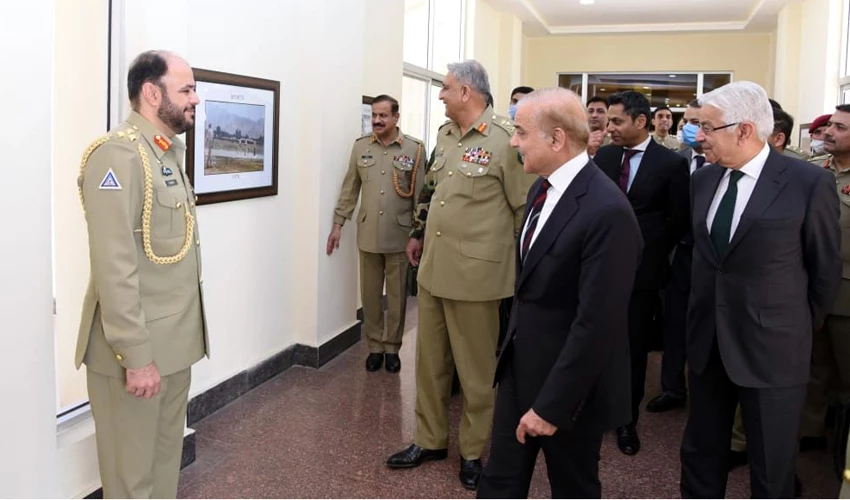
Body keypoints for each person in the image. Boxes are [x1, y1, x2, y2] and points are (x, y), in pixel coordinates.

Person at [476, 87, 642, 499]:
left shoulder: (607, 211)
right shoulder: (541, 189)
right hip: (521, 367)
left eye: (520, 132)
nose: (512, 141)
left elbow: (597, 323)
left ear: (556, 139)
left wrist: (553, 405)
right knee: (498, 481)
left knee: (573, 486)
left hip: (572, 389)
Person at [680, 81, 841, 498]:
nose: (699, 136)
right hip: (708, 341)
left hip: (774, 347)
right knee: (700, 452)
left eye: (708, 127)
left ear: (744, 130)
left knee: (772, 464)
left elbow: (823, 270)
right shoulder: (702, 182)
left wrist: (796, 329)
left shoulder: (807, 183)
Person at [386, 60, 534, 491]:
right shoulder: (446, 136)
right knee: (430, 365)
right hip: (434, 270)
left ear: (467, 92)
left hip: (478, 278)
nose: (440, 95)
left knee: (475, 374)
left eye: (446, 88)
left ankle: (472, 452)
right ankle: (429, 440)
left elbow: (523, 211)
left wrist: (518, 269)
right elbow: (434, 194)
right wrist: (417, 233)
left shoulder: (507, 140)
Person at [75, 50, 208, 499]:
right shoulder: (117, 156)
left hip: (173, 349)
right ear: (152, 93)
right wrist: (136, 357)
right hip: (137, 357)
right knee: (132, 483)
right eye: (186, 89)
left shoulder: (166, 155)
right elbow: (115, 268)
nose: (195, 99)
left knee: (164, 472)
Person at [593, 90, 690, 456]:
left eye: (617, 121)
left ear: (640, 122)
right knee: (597, 342)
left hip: (642, 274)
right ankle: (598, 409)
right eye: (609, 121)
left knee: (632, 348)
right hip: (598, 270)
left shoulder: (669, 164)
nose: (609, 127)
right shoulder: (603, 157)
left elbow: (678, 220)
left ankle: (626, 420)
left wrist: (648, 248)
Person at [327, 95, 424, 373]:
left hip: (400, 235)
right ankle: (375, 347)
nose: (378, 121)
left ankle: (392, 348)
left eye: (384, 115)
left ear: (396, 117)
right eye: (374, 115)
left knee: (396, 297)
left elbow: (420, 195)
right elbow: (350, 189)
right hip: (368, 232)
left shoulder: (414, 149)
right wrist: (338, 223)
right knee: (370, 296)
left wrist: (419, 234)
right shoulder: (360, 148)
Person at [646, 99, 704, 413]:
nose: (692, 128)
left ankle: (707, 392)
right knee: (675, 322)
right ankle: (672, 388)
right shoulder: (675, 160)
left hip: (716, 261)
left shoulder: (728, 164)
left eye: (699, 121)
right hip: (679, 254)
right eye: (689, 122)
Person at [800, 105, 850, 449]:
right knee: (812, 365)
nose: (829, 131)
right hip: (810, 285)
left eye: (841, 128)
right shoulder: (814, 171)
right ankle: (811, 432)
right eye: (830, 125)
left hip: (847, 293)